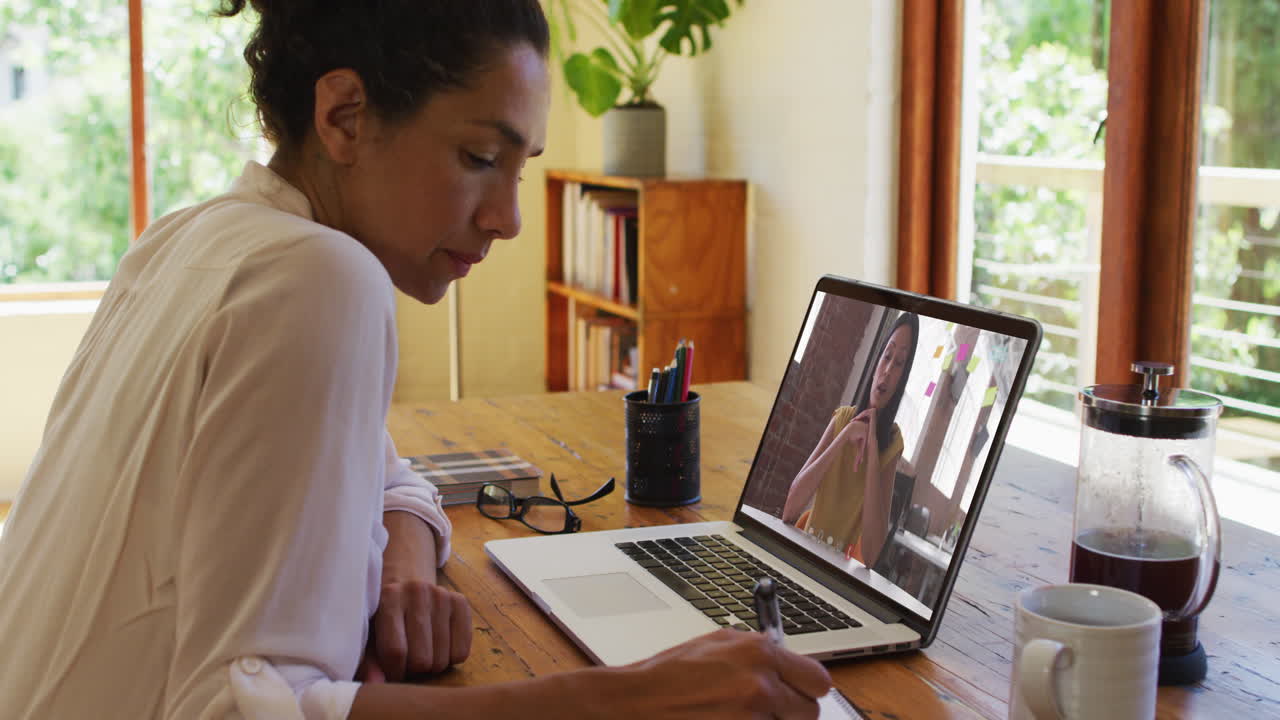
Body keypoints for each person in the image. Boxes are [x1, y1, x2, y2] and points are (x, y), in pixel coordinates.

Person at [0, 2, 831, 719]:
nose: (507, 218)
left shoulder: (185, 240)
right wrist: (638, 697)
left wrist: (402, 566)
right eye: (479, 159)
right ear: (345, 116)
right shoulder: (320, 277)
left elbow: (387, 469)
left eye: (520, 168)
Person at [780, 313, 920, 569]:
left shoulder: (892, 443)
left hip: (839, 574)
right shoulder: (843, 417)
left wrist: (873, 449)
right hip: (800, 557)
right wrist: (844, 436)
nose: (888, 370)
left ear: (904, 378)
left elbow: (872, 555)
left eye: (899, 363)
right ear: (877, 361)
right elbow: (790, 510)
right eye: (887, 357)